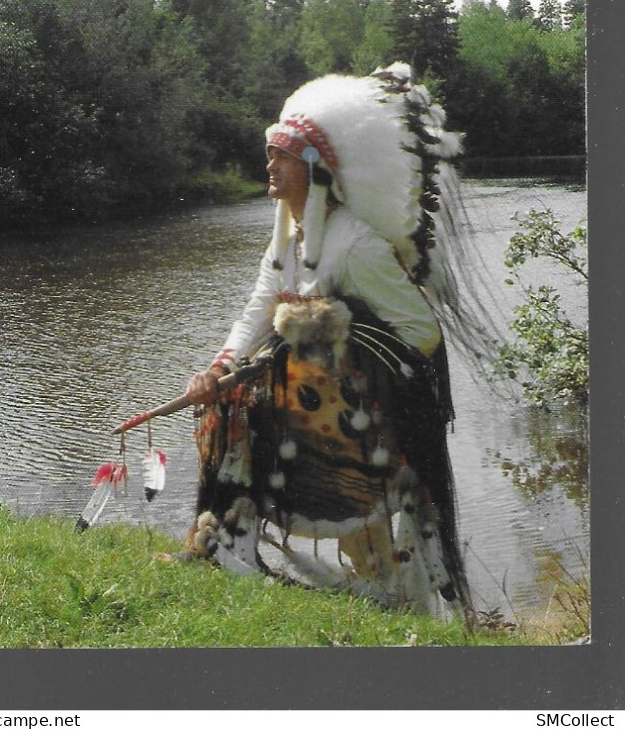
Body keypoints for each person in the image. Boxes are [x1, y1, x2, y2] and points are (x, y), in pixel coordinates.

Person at [184, 65, 471, 615]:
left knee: (364, 535)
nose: (269, 165)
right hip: (306, 409)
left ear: (312, 167)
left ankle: (397, 612)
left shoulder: (356, 246)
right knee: (228, 410)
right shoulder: (288, 232)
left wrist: (333, 327)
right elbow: (260, 305)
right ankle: (224, 546)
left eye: (281, 156)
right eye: (269, 154)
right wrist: (219, 367)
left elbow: (421, 331)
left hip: (353, 420)